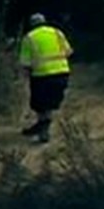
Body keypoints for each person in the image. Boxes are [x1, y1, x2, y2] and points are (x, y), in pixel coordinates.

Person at [18, 13, 73, 143]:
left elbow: (25, 63)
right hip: (62, 73)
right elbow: (69, 52)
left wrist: (26, 75)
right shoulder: (57, 33)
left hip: (42, 76)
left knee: (40, 104)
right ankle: (41, 125)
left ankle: (44, 130)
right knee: (49, 103)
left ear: (31, 24)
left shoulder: (29, 38)